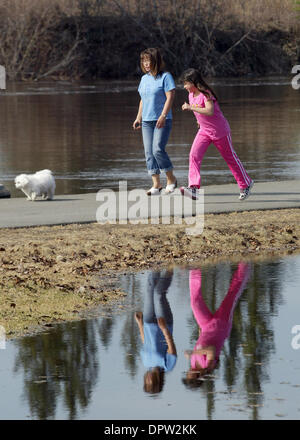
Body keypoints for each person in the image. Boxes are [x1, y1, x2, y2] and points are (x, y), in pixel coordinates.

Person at [180, 68, 253, 201]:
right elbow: (199, 113)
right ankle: (194, 188)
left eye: (186, 83)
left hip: (219, 131)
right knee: (193, 155)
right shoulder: (191, 95)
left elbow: (210, 111)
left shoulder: (206, 93)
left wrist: (190, 107)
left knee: (230, 158)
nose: (184, 86)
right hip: (204, 131)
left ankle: (246, 184)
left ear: (193, 82)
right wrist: (198, 121)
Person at [184, 262, 251, 387]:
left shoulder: (193, 364)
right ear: (196, 377)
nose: (187, 373)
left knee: (195, 302)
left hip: (205, 327)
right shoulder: (209, 366)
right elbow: (211, 350)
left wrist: (200, 333)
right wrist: (193, 353)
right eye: (189, 376)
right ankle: (245, 265)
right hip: (221, 326)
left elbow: (200, 344)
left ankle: (195, 268)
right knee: (232, 293)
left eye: (187, 375)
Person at [133, 48, 177, 196]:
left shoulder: (165, 77)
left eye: (148, 60)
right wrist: (138, 117)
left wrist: (163, 115)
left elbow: (170, 97)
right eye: (143, 60)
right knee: (149, 153)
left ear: (156, 60)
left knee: (158, 149)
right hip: (146, 121)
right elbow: (142, 100)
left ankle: (171, 180)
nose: (146, 63)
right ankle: (156, 184)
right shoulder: (144, 79)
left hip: (162, 120)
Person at [134, 269, 177, 394]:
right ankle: (170, 267)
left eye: (145, 383)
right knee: (158, 294)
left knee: (149, 289)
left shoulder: (146, 363)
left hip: (147, 322)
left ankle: (156, 263)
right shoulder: (167, 366)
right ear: (157, 382)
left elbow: (145, 342)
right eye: (149, 383)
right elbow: (171, 346)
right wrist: (164, 328)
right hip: (164, 323)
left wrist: (140, 324)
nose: (147, 380)